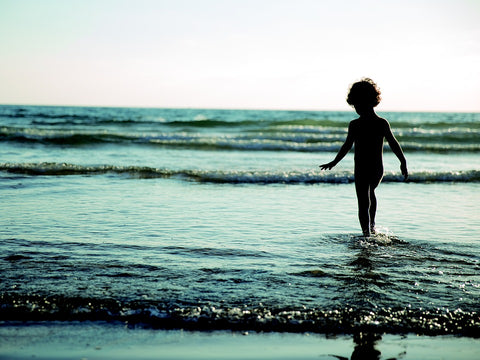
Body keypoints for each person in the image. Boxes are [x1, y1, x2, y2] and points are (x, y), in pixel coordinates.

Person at [320, 78, 408, 237]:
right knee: (370, 195)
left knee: (363, 201)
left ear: (369, 102)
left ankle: (366, 234)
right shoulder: (379, 122)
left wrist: (403, 162)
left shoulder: (363, 124)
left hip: (363, 169)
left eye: (358, 104)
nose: (356, 108)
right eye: (354, 105)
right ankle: (371, 228)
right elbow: (346, 146)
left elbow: (393, 143)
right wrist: (334, 162)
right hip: (376, 169)